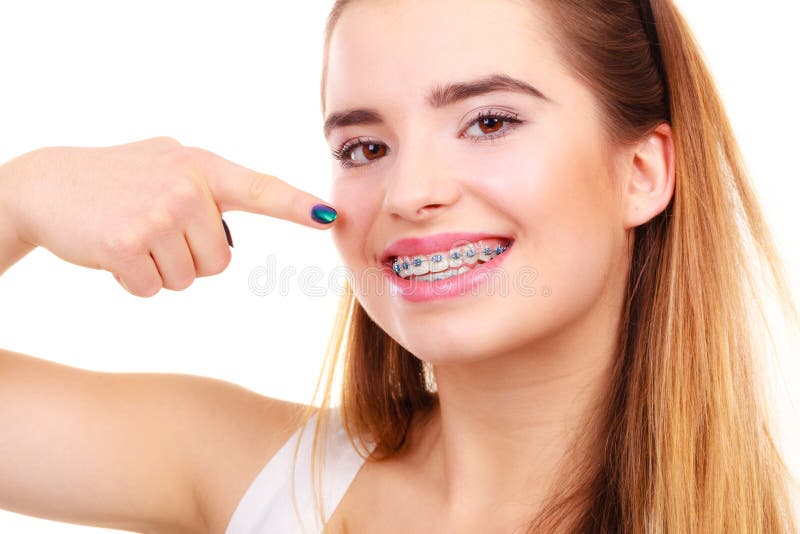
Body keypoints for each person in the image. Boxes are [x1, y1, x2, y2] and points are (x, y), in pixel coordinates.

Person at [0, 1, 797, 533]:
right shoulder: (254, 473)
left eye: (488, 120)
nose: (410, 193)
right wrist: (20, 196)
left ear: (642, 172)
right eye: (365, 147)